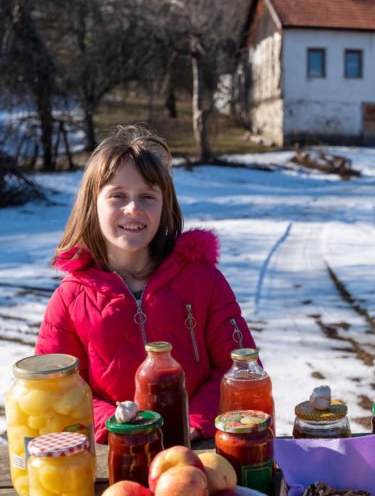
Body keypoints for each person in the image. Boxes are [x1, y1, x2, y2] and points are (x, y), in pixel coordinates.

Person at [35, 125, 255, 444]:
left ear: (164, 206)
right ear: (92, 205)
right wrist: (118, 425)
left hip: (201, 452)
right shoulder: (69, 300)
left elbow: (242, 370)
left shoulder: (204, 281)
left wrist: (194, 421)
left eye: (147, 196)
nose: (133, 209)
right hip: (114, 458)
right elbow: (54, 390)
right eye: (118, 196)